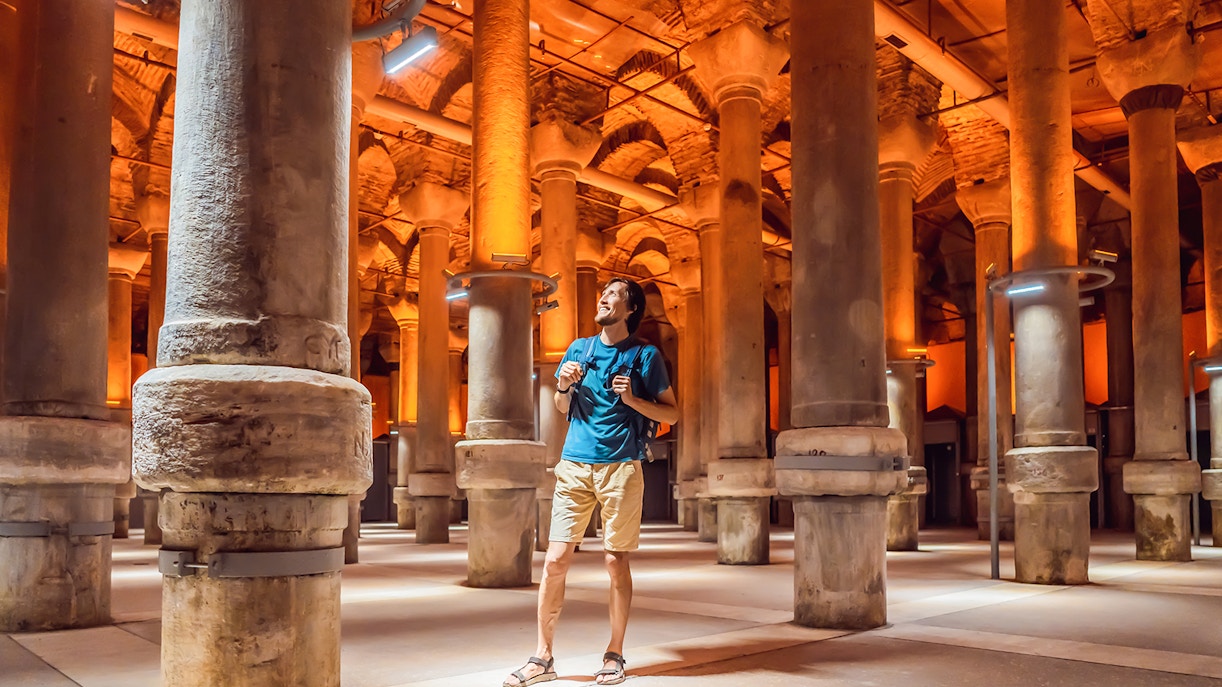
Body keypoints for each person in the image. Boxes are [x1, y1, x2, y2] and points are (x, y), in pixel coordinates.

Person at [503, 277, 679, 687]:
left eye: (614, 294)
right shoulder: (579, 349)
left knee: (615, 562)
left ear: (630, 309)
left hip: (622, 467)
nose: (604, 297)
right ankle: (543, 657)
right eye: (603, 293)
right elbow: (562, 405)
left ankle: (614, 653)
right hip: (574, 464)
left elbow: (672, 414)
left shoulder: (645, 355)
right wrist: (563, 385)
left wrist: (633, 399)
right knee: (554, 560)